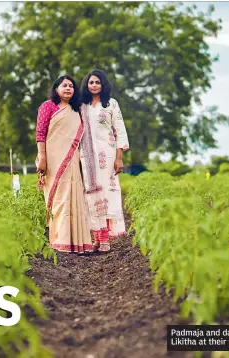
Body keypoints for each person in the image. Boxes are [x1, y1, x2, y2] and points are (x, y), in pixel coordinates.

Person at [35, 74, 94, 254]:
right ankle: (60, 239)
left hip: (71, 160)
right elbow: (40, 133)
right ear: (56, 89)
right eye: (64, 85)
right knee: (58, 199)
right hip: (52, 160)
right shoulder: (48, 106)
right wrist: (42, 157)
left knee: (73, 196)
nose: (68, 88)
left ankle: (76, 242)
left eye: (71, 86)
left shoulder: (77, 110)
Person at [78, 69, 130, 253]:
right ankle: (97, 238)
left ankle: (106, 238)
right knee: (91, 196)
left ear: (103, 85)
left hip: (107, 157)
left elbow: (120, 130)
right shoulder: (81, 106)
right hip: (87, 157)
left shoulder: (111, 104)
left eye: (97, 82)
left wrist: (119, 158)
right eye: (91, 82)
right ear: (87, 84)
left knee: (107, 195)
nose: (94, 85)